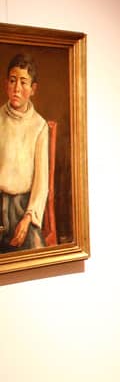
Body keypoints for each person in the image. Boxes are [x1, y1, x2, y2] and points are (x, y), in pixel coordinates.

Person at [0, 53, 49, 252]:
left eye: (23, 82)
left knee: (35, 251)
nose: (17, 88)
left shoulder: (39, 126)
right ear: (6, 84)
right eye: (12, 81)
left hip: (25, 208)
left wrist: (28, 218)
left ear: (33, 89)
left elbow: (41, 183)